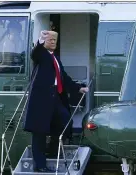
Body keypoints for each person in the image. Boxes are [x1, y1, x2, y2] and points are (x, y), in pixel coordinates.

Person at [22, 30, 89, 172]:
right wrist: (40, 41)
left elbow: (63, 77)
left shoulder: (56, 58)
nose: (53, 43)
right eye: (50, 40)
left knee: (66, 121)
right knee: (39, 132)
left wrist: (78, 88)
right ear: (45, 41)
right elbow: (34, 53)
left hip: (55, 98)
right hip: (41, 99)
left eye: (55, 41)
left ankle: (52, 150)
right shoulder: (41, 55)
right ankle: (40, 166)